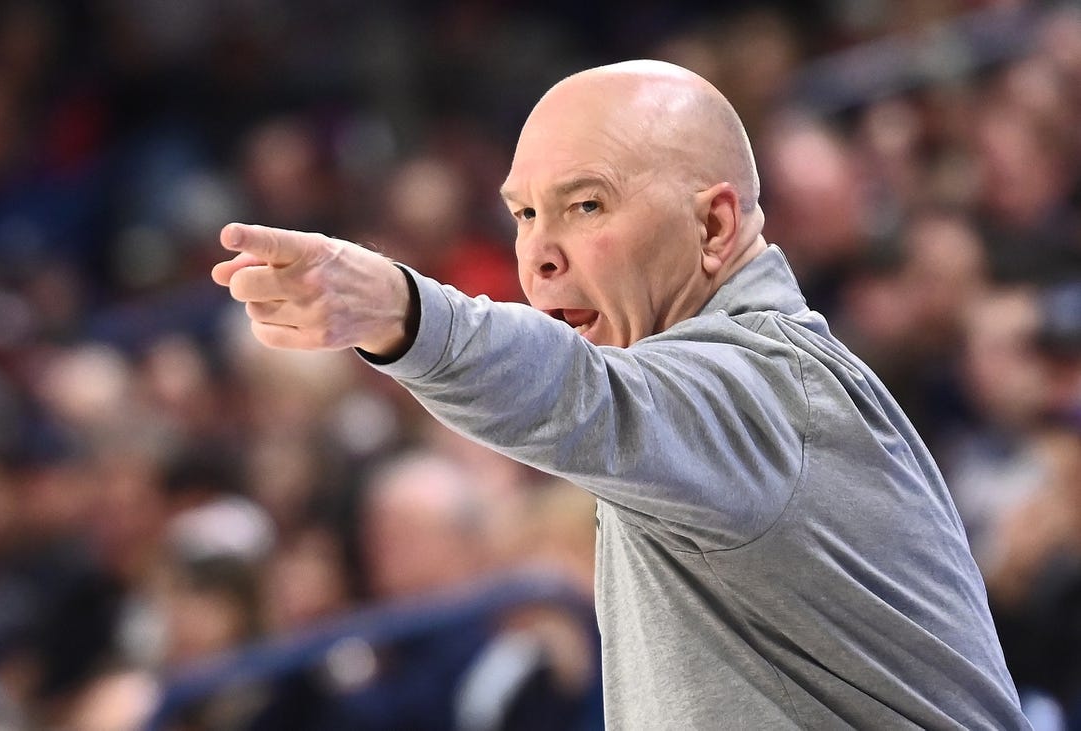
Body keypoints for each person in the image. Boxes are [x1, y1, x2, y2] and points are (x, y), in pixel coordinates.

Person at [211, 60, 1030, 729]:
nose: (537, 258)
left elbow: (583, 393)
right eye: (525, 213)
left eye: (585, 204)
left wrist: (405, 311)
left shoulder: (774, 388)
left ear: (713, 228)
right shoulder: (705, 408)